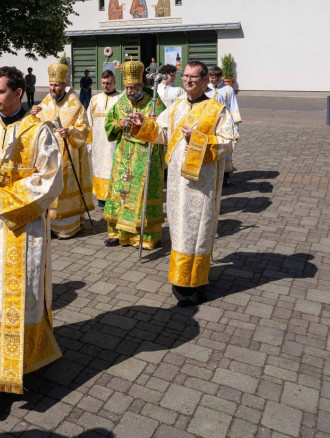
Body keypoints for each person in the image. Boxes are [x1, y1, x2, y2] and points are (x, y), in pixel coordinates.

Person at [0, 66, 63, 410]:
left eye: (0, 91)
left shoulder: (38, 131)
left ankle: (26, 362)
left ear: (18, 92)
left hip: (26, 229)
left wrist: (3, 195)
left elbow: (51, 179)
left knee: (25, 297)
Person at [123, 61, 238, 305]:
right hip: (176, 184)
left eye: (193, 77)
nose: (187, 80)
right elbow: (162, 132)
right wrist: (142, 125)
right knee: (179, 231)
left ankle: (194, 284)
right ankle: (180, 280)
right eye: (185, 76)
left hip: (201, 186)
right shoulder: (176, 106)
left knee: (197, 233)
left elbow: (229, 143)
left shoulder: (217, 110)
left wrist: (199, 139)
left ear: (205, 80)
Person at [103, 60, 166, 249]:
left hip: (145, 155)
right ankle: (117, 234)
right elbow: (109, 122)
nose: (129, 91)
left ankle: (144, 237)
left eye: (133, 87)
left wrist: (155, 121)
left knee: (141, 195)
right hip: (124, 155)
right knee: (120, 193)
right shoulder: (122, 101)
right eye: (127, 87)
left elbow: (164, 127)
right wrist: (118, 124)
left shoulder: (154, 102)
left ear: (141, 85)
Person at [31, 61, 93, 239]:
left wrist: (70, 132)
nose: (53, 88)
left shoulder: (75, 104)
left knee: (65, 189)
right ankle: (49, 225)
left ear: (64, 85)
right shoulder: (45, 102)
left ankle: (66, 228)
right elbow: (34, 127)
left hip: (67, 156)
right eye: (51, 84)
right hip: (47, 158)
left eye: (57, 85)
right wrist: (32, 114)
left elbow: (85, 128)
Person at [87, 70, 122, 206]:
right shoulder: (95, 99)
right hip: (98, 144)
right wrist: (89, 141)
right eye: (103, 83)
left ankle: (114, 199)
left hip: (114, 143)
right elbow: (89, 121)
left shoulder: (121, 98)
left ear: (114, 82)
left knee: (113, 168)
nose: (105, 86)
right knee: (99, 168)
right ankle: (101, 201)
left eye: (108, 83)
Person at [206, 66, 241, 186]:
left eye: (214, 77)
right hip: (210, 124)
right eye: (210, 77)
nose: (212, 80)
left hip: (224, 123)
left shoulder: (228, 89)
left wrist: (235, 127)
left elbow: (233, 108)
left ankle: (225, 176)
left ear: (220, 77)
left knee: (224, 150)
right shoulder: (207, 88)